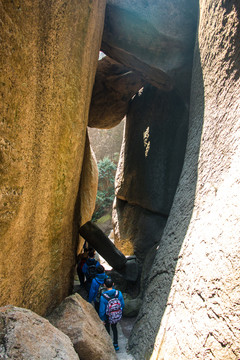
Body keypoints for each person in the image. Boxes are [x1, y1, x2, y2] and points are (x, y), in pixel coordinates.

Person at [99, 277, 125, 352]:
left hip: (107, 316)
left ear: (104, 285)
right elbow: (122, 304)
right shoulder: (118, 293)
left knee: (107, 328)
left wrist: (102, 319)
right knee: (114, 328)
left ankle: (108, 344)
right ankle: (116, 344)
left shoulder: (103, 297)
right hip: (116, 315)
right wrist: (119, 311)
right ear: (113, 284)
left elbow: (102, 310)